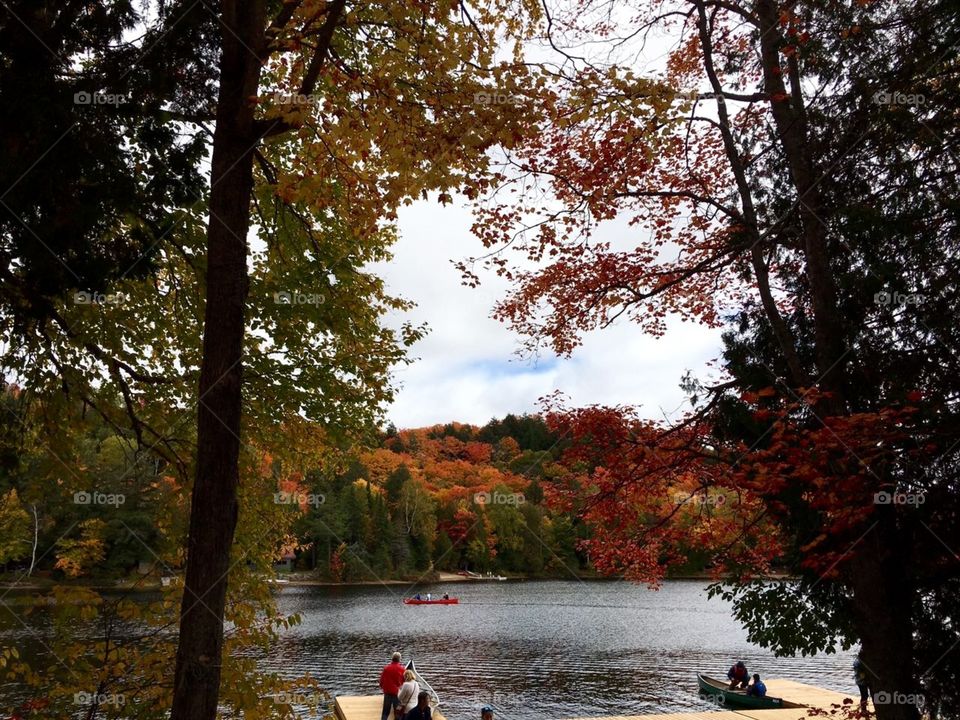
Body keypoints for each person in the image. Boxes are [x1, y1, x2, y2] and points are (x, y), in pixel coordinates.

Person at [379, 652, 405, 720]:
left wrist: (382, 687)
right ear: (399, 659)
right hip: (397, 693)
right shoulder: (402, 669)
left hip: (387, 692)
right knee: (397, 712)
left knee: (385, 712)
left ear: (392, 659)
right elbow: (404, 682)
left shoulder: (386, 668)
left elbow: (381, 680)